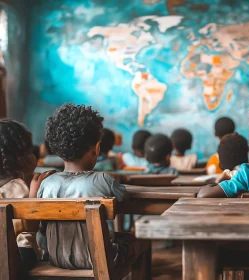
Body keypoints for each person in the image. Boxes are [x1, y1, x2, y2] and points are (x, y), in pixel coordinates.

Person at [37, 103, 145, 269]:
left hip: (56, 258)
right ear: (96, 148)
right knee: (136, 241)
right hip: (99, 260)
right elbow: (125, 197)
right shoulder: (102, 180)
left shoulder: (46, 183)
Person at [0, 119, 54, 271]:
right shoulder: (17, 187)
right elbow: (31, 225)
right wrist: (34, 198)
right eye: (29, 151)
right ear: (19, 158)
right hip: (19, 255)